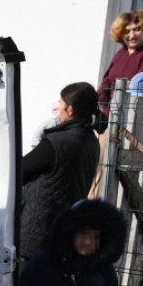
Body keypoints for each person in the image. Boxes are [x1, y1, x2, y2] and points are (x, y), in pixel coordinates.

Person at [20, 82, 100, 260]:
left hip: (38, 233)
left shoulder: (57, 142)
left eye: (61, 101)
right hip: (64, 229)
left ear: (70, 109)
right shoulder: (90, 140)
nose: (58, 105)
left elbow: (20, 170)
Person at [97, 10, 143, 119]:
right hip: (109, 113)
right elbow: (106, 82)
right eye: (127, 31)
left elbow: (140, 84)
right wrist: (103, 108)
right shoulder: (121, 53)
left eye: (137, 29)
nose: (132, 35)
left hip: (132, 115)